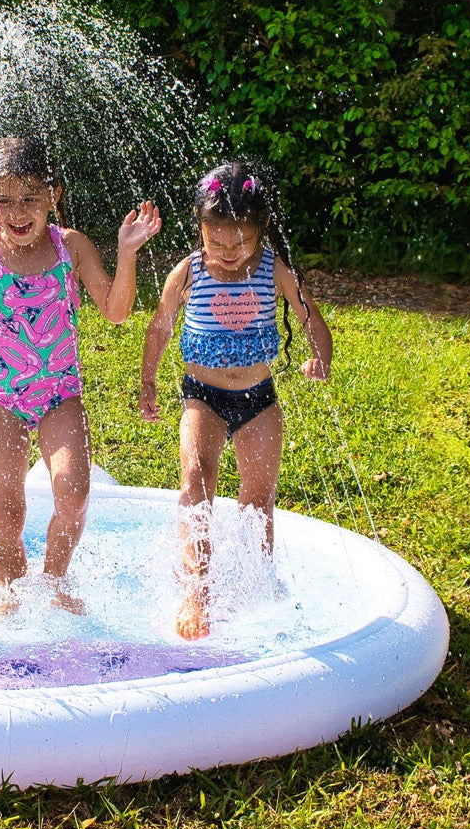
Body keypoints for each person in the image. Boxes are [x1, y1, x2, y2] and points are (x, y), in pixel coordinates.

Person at [0, 136, 161, 615]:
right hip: (3, 397)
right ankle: (10, 595)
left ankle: (53, 581)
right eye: (4, 199)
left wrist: (127, 252)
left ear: (53, 196)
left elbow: (116, 310)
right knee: (5, 511)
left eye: (30, 198)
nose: (17, 211)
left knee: (74, 491)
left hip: (60, 393)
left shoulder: (72, 246)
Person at [138, 161, 333, 640]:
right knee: (195, 479)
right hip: (201, 396)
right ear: (201, 231)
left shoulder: (273, 269)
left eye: (239, 242)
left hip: (259, 398)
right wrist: (147, 381)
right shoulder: (187, 273)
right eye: (216, 241)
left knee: (258, 499)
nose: (228, 252)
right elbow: (161, 328)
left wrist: (319, 357)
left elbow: (310, 317)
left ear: (260, 231)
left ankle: (253, 588)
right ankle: (196, 593)